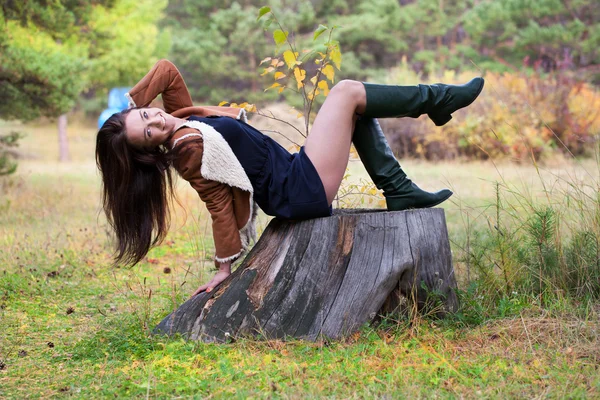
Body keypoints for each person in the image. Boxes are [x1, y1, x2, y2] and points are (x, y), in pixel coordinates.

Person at [96, 59, 484, 296]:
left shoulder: (179, 117)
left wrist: (131, 107)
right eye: (148, 131)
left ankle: (398, 189)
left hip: (294, 171)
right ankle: (438, 99)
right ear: (149, 150)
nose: (156, 120)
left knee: (355, 106)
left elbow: (166, 70)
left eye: (149, 114)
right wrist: (224, 266)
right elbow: (216, 204)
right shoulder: (186, 150)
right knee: (347, 92)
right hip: (298, 190)